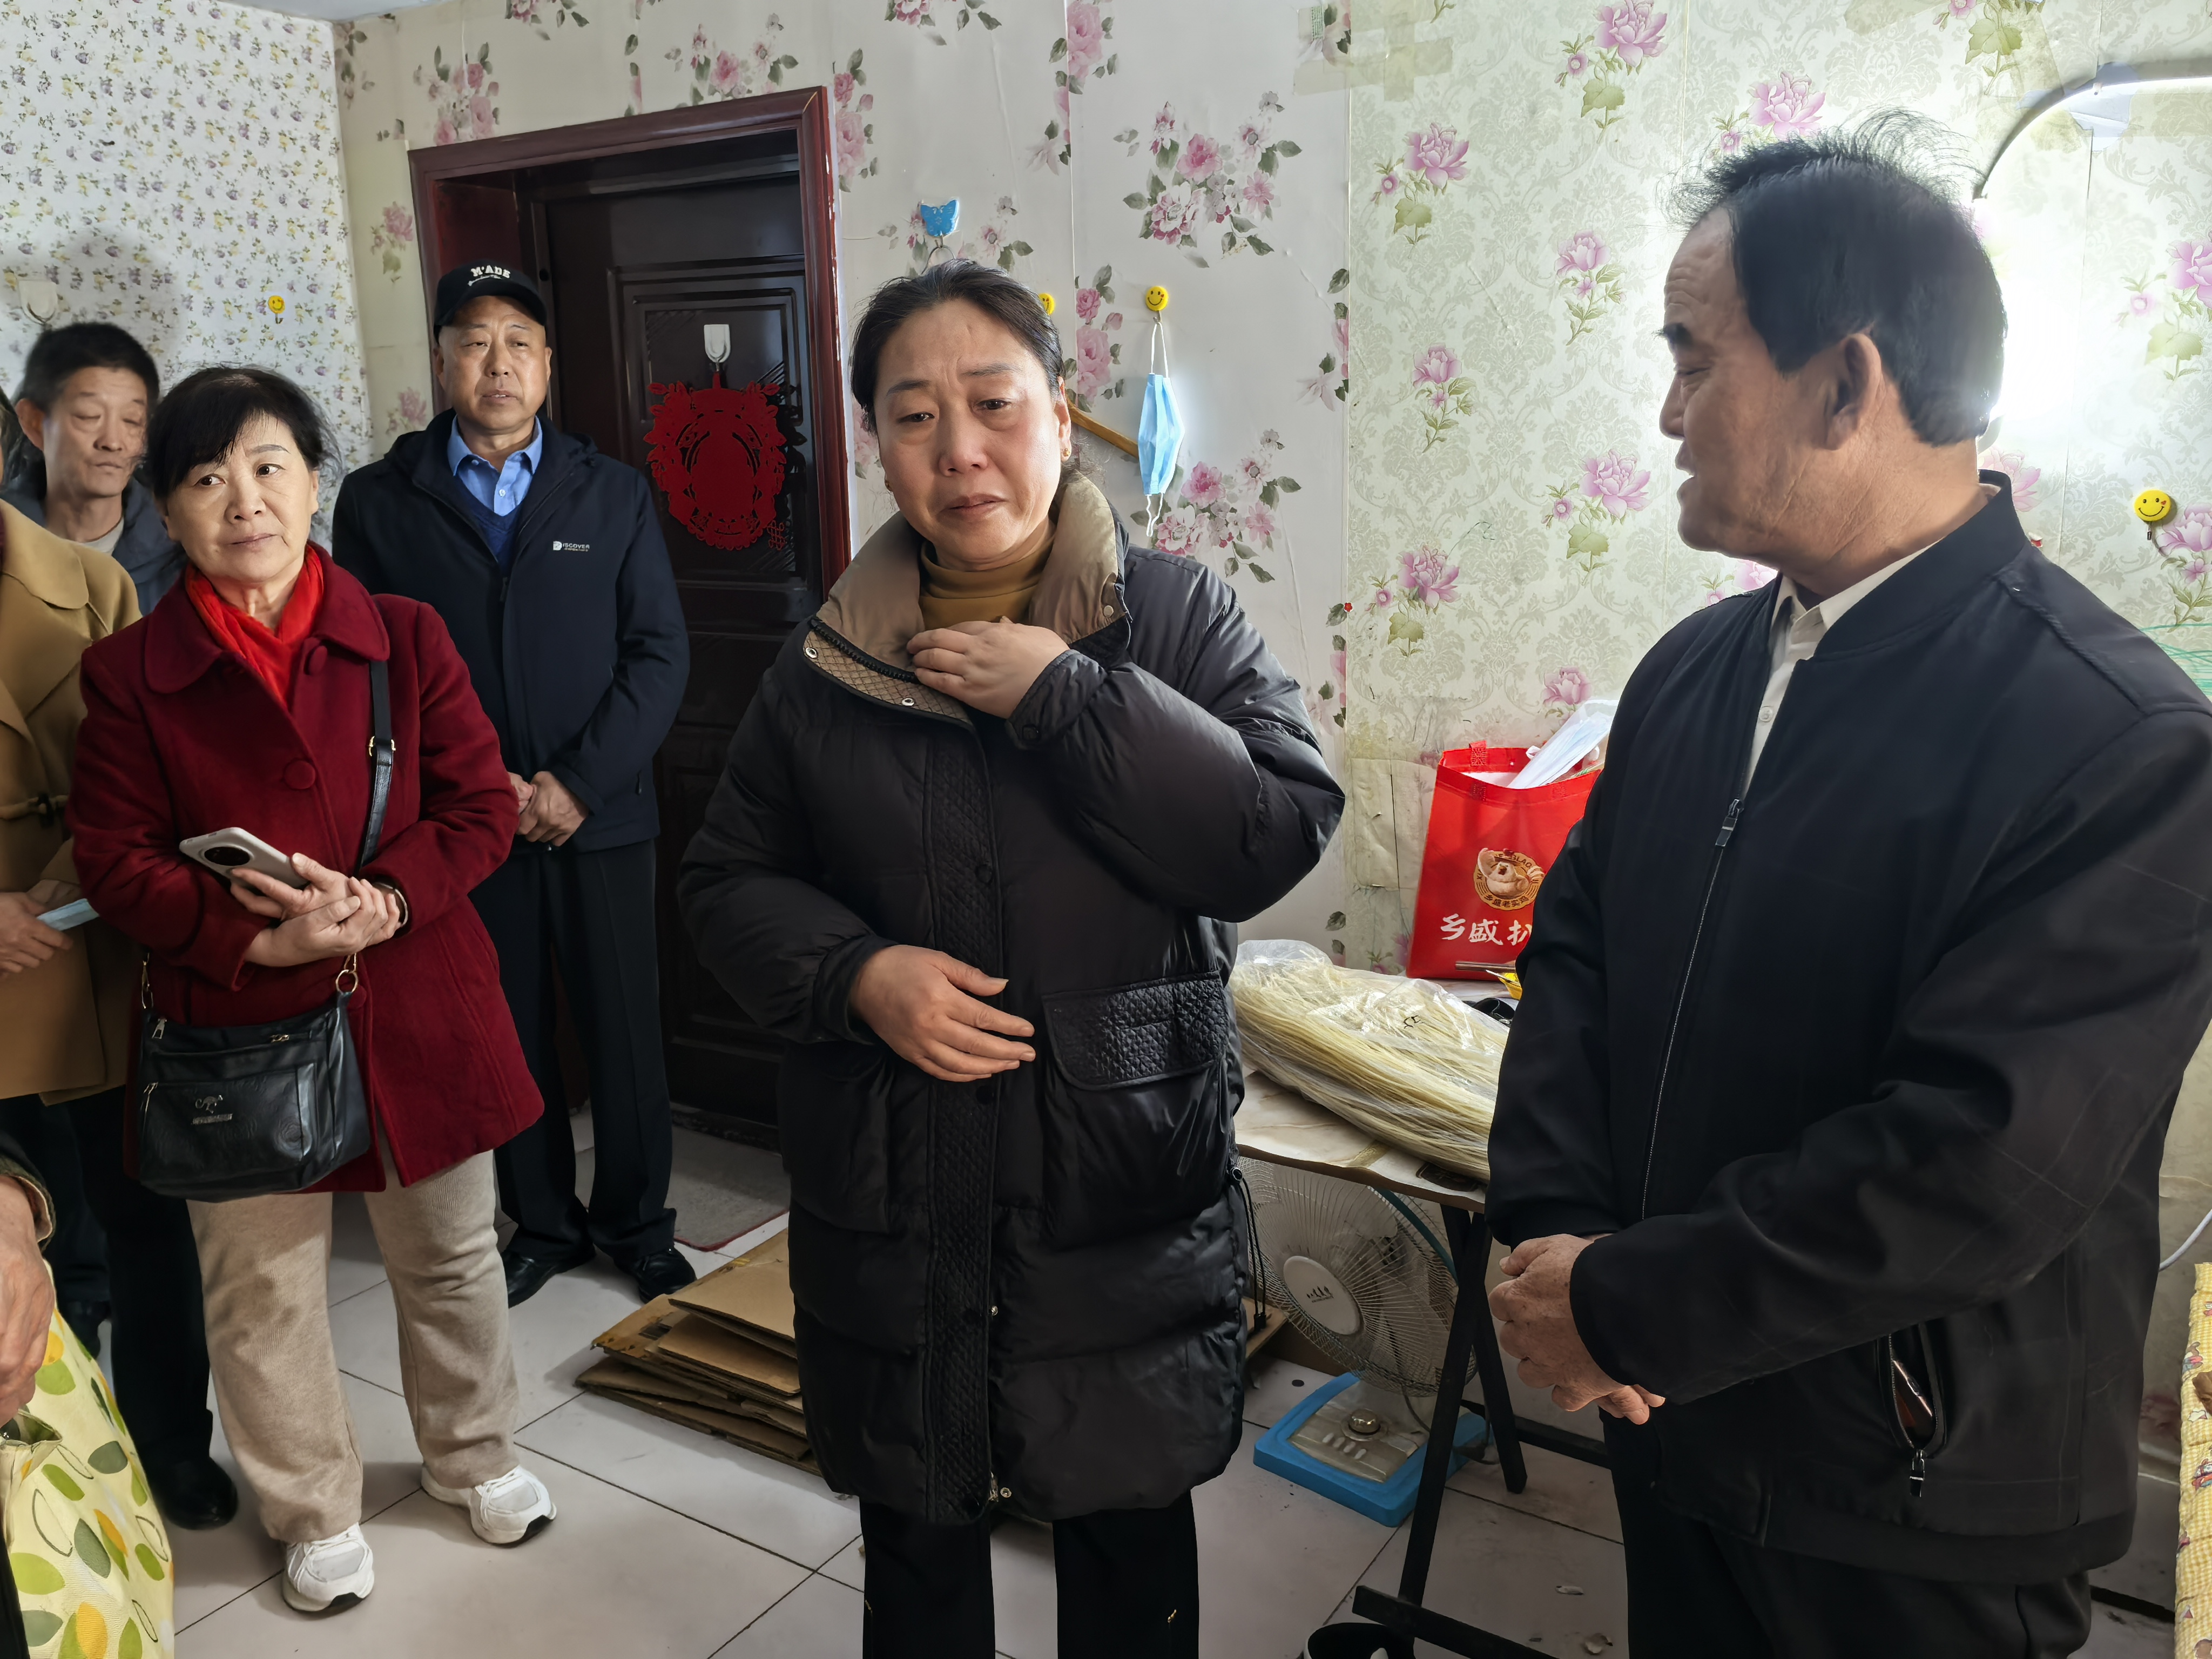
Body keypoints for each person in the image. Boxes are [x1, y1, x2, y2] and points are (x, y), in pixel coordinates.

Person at [1484, 117, 2212, 1658]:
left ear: (1845, 383)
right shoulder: (1694, 668)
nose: (1666, 410)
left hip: (1908, 1502)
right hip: (1673, 1411)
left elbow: (1978, 1161)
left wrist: (1624, 1305)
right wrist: (1559, 1243)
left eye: (1694, 359)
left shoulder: (2121, 742)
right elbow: (1577, 951)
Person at [678, 260, 1344, 1659]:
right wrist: (857, 975)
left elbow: (1272, 832)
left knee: (1125, 1544)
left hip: (1116, 1188)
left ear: (1058, 411)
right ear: (876, 443)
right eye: (914, 416)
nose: (959, 450)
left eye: (992, 403)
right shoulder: (828, 661)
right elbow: (726, 881)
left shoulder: (1174, 617)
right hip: (895, 1184)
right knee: (918, 1543)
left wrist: (1068, 696)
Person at [69, 366, 560, 1616]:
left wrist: (388, 898)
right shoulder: (129, 673)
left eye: (269, 465)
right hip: (237, 1022)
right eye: (206, 476)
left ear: (311, 481)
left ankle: (473, 1453)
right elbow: (117, 862)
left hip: (419, 1000)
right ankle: (311, 1508)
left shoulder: (404, 633)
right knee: (263, 1289)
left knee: (450, 1255)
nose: (244, 499)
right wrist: (250, 942)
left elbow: (478, 805)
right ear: (167, 509)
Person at [332, 263, 693, 1309]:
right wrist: (479, 784)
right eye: (474, 341)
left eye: (518, 343)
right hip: (463, 822)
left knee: (624, 1030)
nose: (498, 363)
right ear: (441, 361)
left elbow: (658, 654)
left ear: (547, 364)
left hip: (600, 814)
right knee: (506, 1027)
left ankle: (638, 1224)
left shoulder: (610, 490)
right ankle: (541, 1224)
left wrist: (574, 783)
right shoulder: (379, 499)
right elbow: (370, 667)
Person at [0, 487, 238, 1530]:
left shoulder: (92, 582)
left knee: (146, 1213)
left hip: (84, 935)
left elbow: (147, 760)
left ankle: (169, 1439)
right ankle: (40, 1464)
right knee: (16, 1234)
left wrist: (56, 889)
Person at [4, 322, 185, 609]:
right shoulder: (7, 539)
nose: (113, 442)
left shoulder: (180, 554)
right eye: (89, 416)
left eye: (132, 421)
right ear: (35, 423)